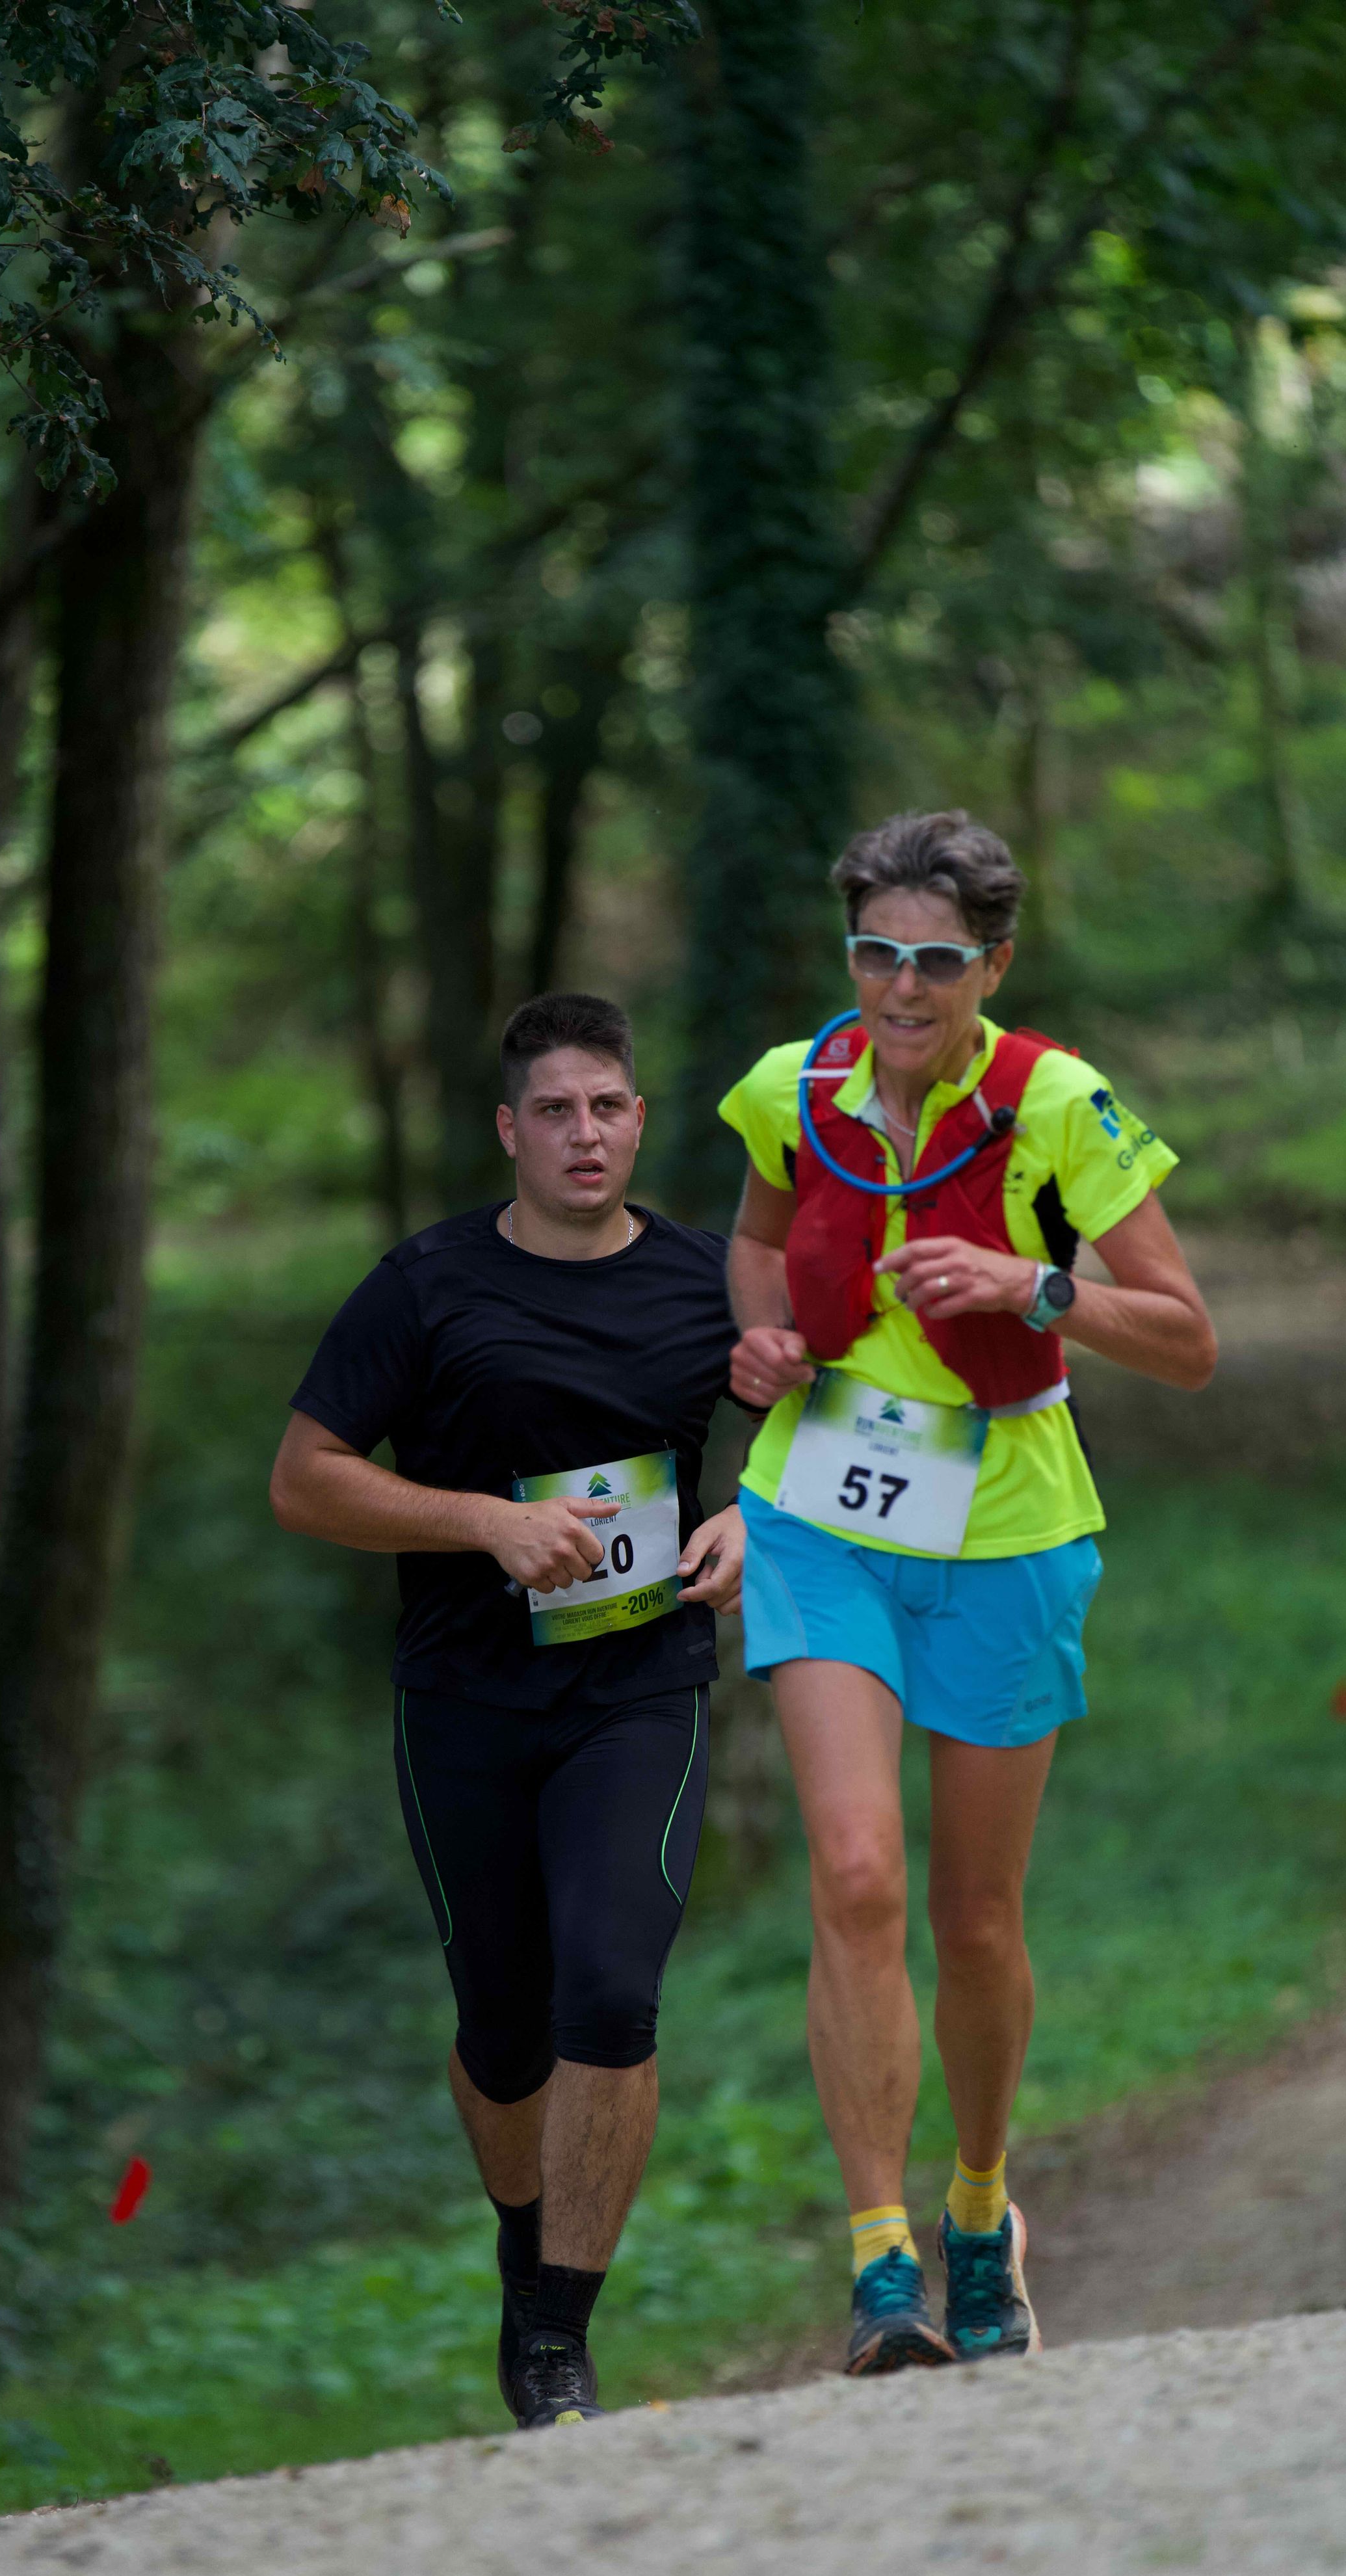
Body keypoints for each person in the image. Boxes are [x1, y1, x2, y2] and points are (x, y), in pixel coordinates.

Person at [720, 810, 1217, 2376]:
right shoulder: (793, 1089)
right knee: (859, 1873)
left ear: (993, 967)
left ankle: (982, 2210)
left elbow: (1188, 1338)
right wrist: (761, 1342)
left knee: (977, 1918)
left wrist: (1034, 1286)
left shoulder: (1056, 1104)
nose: (902, 987)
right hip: (821, 1517)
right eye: (876, 953)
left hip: (1008, 1530)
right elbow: (754, 1242)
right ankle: (880, 2265)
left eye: (937, 962)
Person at [270, 992, 746, 2429]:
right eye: (554, 1111)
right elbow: (306, 1478)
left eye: (605, 1107)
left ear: (639, 1121)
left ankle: (554, 2336)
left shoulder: (715, 1281)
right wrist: (481, 1521)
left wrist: (759, 1520)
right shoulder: (425, 1287)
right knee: (502, 2031)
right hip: (466, 1700)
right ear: (508, 1130)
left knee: (609, 1991)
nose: (583, 1134)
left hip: (637, 1692)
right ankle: (525, 2237)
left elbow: (833, 1404)